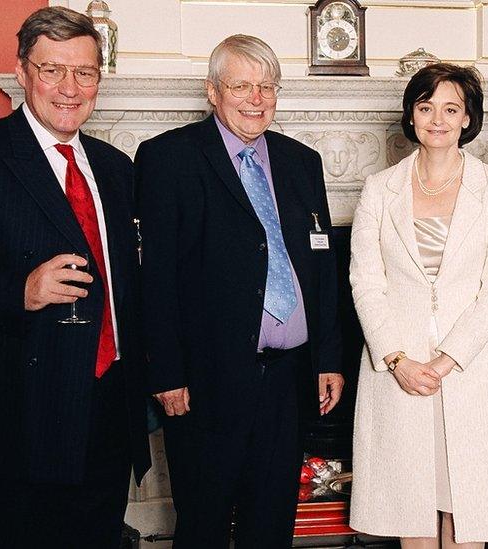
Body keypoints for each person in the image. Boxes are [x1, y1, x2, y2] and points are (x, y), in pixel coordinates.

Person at [0, 7, 149, 548]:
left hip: (108, 412)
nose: (69, 87)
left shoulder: (115, 166)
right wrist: (19, 290)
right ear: (22, 71)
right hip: (14, 420)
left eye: (84, 72)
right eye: (52, 69)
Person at [135, 34, 345, 548]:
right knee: (203, 522)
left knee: (271, 523)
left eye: (267, 86)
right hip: (205, 383)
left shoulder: (302, 162)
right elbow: (154, 277)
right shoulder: (167, 158)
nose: (257, 98)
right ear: (213, 91)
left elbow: (321, 268)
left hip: (288, 380)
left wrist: (328, 358)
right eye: (242, 86)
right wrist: (165, 371)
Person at [348, 62, 488, 548]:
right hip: (399, 373)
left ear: (468, 118)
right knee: (412, 511)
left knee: (467, 510)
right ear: (411, 116)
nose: (437, 119)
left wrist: (447, 360)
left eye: (451, 108)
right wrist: (397, 359)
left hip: (469, 370)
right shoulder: (378, 189)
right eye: (426, 107)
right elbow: (365, 282)